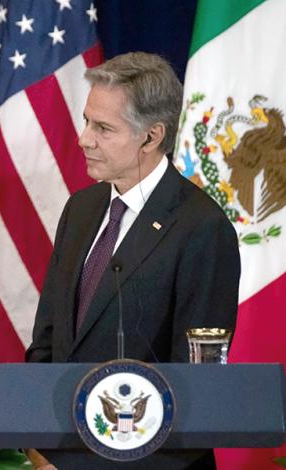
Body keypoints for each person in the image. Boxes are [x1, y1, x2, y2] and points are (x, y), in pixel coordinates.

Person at [25, 53, 240, 469]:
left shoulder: (202, 228)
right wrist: (40, 451)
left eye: (102, 128)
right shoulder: (81, 209)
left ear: (151, 136)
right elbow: (47, 345)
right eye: (87, 121)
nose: (83, 139)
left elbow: (196, 386)